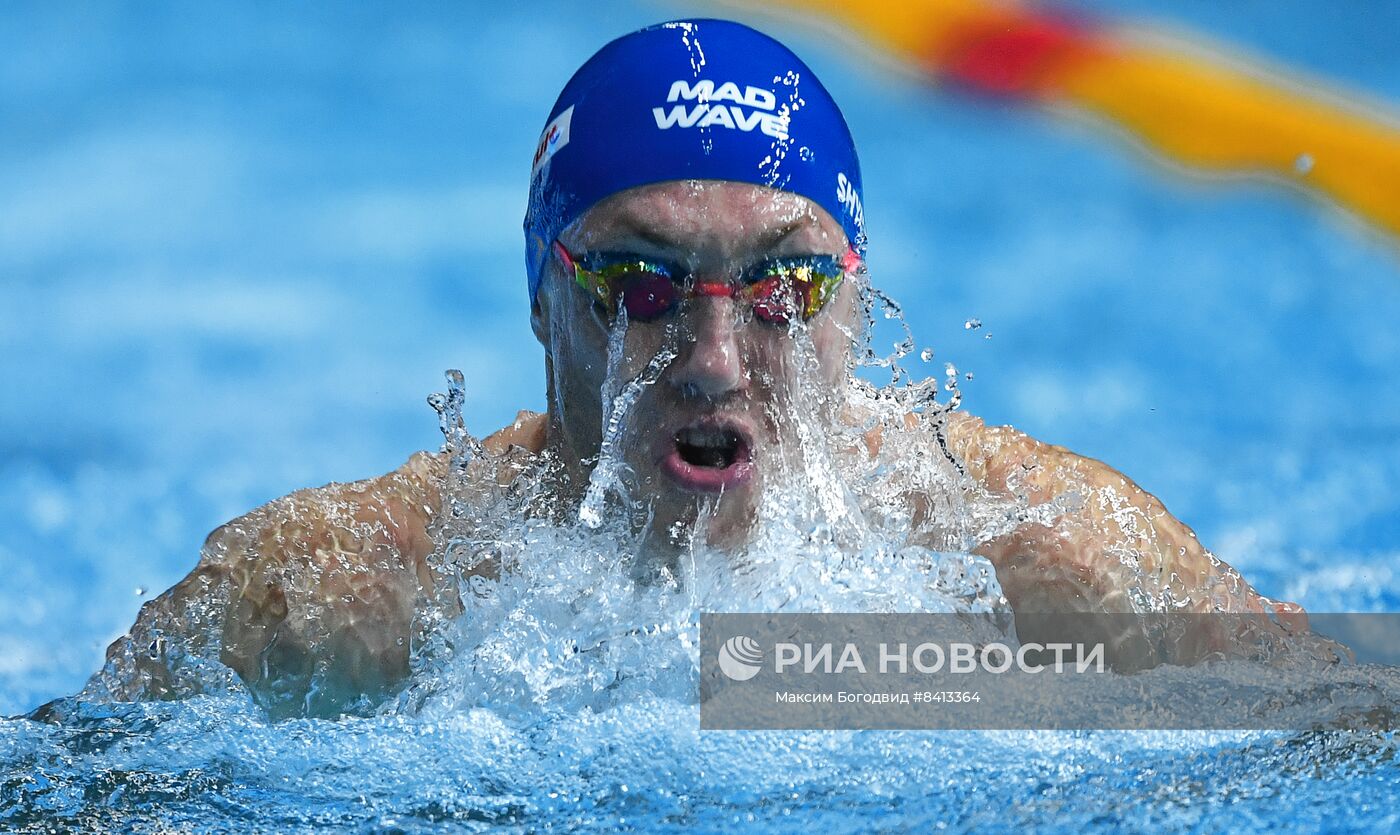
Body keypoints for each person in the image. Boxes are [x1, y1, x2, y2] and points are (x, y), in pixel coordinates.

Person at [88, 19, 1310, 717]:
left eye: (783, 286)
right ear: (540, 294)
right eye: (640, 285)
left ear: (858, 301)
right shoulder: (354, 599)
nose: (713, 360)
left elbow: (1343, 714)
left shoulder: (1038, 561)